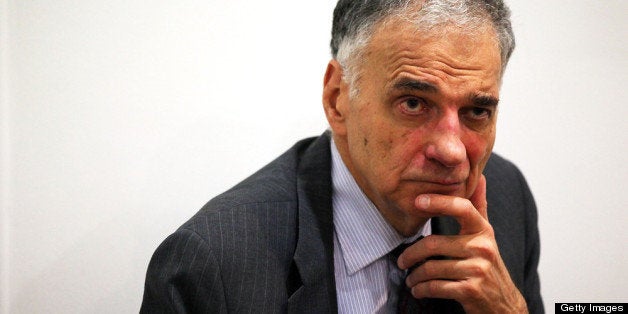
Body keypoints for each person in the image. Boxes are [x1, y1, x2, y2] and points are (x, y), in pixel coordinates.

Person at [141, 0, 543, 313]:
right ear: (337, 100)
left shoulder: (508, 202)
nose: (452, 152)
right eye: (414, 103)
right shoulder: (214, 264)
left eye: (477, 112)